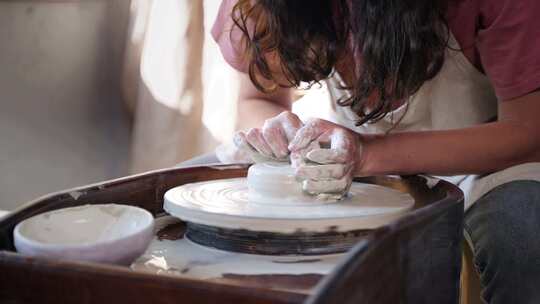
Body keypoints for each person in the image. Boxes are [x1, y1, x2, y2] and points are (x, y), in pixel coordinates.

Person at [210, 0, 540, 302]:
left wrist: (368, 154)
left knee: (520, 234)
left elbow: (527, 131)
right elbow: (258, 99)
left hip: (488, 161)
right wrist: (284, 135)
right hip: (353, 157)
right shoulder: (266, 6)